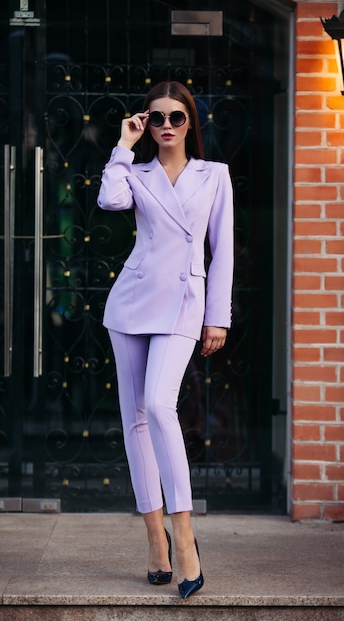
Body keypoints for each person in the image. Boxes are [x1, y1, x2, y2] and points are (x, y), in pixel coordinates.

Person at [97, 81, 234, 599]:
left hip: (183, 303)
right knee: (135, 419)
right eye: (156, 118)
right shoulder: (136, 170)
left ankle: (184, 534)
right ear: (146, 123)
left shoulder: (213, 175)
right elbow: (109, 200)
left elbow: (222, 252)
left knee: (159, 405)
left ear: (190, 122)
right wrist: (123, 146)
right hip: (131, 301)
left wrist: (216, 318)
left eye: (177, 117)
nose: (167, 126)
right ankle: (155, 537)